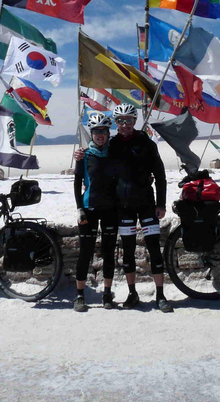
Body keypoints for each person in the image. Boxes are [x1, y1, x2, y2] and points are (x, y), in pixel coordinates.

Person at [76, 103, 172, 312]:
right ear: (116, 123)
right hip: (123, 206)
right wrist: (80, 156)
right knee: (127, 251)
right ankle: (132, 293)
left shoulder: (146, 143)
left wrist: (161, 203)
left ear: (135, 121)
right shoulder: (112, 145)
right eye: (120, 120)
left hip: (147, 203)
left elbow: (160, 174)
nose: (125, 124)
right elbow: (96, 158)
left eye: (129, 120)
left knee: (154, 248)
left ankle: (161, 295)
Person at [72, 113, 119, 312]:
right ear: (91, 133)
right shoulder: (84, 156)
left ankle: (107, 294)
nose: (100, 135)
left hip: (110, 209)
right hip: (89, 209)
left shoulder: (114, 153)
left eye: (103, 131)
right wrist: (79, 209)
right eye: (96, 131)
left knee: (109, 253)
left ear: (109, 133)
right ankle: (80, 295)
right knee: (85, 252)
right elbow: (76, 183)